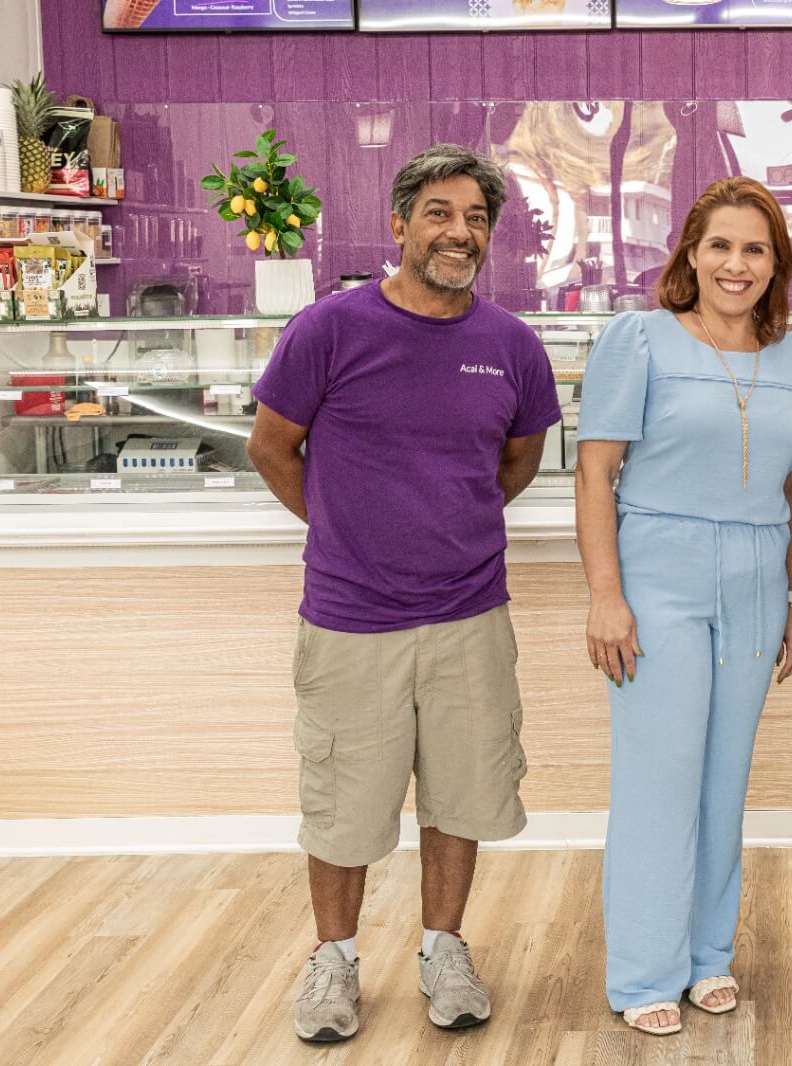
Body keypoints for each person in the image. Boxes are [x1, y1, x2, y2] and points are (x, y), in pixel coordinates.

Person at [247, 144, 561, 1043]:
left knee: (461, 797)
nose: (459, 232)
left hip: (471, 615)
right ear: (399, 224)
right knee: (343, 804)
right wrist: (345, 529)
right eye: (439, 213)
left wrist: (445, 525)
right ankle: (334, 960)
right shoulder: (329, 329)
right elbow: (271, 446)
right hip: (352, 620)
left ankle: (443, 949)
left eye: (475, 218)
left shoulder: (511, 345)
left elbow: (517, 461)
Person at [574, 176, 792, 1036]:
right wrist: (607, 595)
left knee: (723, 779)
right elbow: (596, 472)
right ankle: (645, 970)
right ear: (691, 253)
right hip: (659, 570)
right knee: (660, 775)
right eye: (720, 245)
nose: (735, 264)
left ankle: (709, 956)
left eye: (755, 249)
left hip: (757, 575)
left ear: (776, 264)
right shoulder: (640, 338)